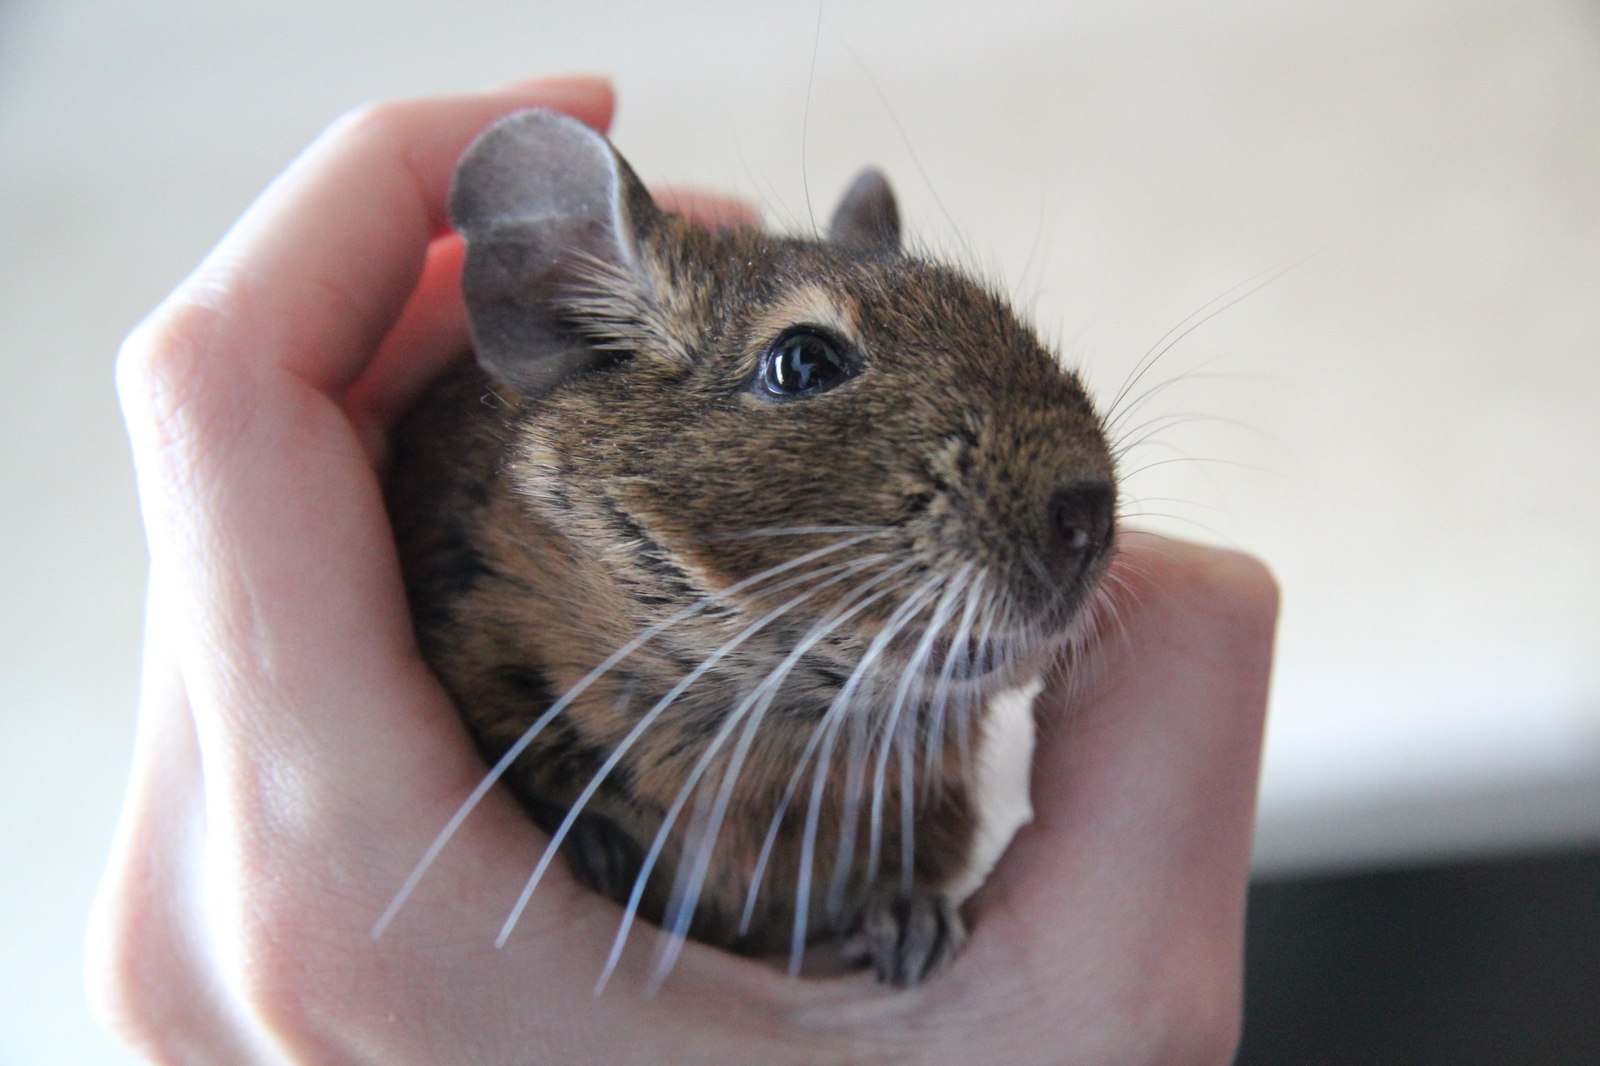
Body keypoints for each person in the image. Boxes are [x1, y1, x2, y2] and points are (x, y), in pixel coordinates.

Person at [86, 75, 1278, 1063]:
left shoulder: (903, 729)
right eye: (805, 367)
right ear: (577, 332)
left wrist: (905, 900)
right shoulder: (492, 605)